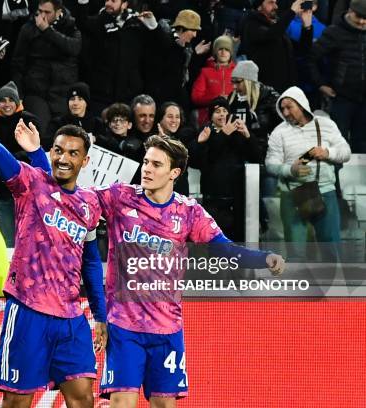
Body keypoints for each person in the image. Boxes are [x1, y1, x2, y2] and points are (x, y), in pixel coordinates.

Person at [22, 126, 286, 408]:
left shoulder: (189, 212)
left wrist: (263, 258)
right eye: (146, 162)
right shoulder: (119, 198)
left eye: (156, 164)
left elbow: (223, 248)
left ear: (175, 173)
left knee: (164, 405)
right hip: (124, 326)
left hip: (168, 329)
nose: (146, 169)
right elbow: (68, 197)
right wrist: (38, 154)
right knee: (123, 403)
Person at [0, 59, 107, 408]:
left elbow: (92, 264)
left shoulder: (89, 205)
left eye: (72, 153)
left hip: (70, 317)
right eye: (58, 151)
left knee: (83, 397)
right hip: (29, 311)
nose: (63, 158)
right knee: (18, 402)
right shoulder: (29, 184)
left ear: (85, 162)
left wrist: (101, 316)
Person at [265, 86, 351, 243]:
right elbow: (270, 163)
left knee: (330, 249)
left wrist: (327, 153)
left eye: (289, 107)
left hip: (325, 192)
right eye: (282, 108)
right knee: (295, 255)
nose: (285, 113)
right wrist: (290, 170)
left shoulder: (327, 125)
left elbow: (346, 152)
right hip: (292, 196)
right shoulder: (279, 132)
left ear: (301, 104)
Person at [189, 97, 262, 242]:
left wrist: (248, 135)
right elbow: (204, 160)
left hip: (237, 197)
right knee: (216, 240)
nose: (222, 114)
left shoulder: (237, 134)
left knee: (236, 239)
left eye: (224, 111)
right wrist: (224, 134)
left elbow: (257, 158)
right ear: (211, 115)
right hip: (214, 198)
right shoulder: (206, 132)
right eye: (217, 111)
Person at [11, 0, 82, 133]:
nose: (42, 16)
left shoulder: (70, 26)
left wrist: (47, 31)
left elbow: (74, 48)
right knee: (39, 131)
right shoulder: (29, 28)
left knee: (61, 134)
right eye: (40, 11)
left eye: (47, 12)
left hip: (62, 93)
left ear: (58, 12)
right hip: (36, 92)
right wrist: (18, 94)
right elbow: (18, 63)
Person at [0, 80, 40, 247]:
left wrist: (12, 158)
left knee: (26, 238)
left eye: (11, 100)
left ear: (17, 102)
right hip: (2, 187)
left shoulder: (29, 120)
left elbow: (37, 151)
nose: (7, 104)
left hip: (27, 188)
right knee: (9, 239)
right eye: (3, 100)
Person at [308, 0, 366, 152]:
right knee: (338, 145)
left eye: (365, 18)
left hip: (363, 100)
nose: (361, 21)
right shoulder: (334, 32)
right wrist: (320, 84)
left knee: (362, 145)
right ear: (350, 11)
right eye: (358, 16)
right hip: (341, 98)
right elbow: (311, 58)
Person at [240, 0, 311, 93]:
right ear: (259, 6)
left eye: (275, 2)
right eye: (270, 2)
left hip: (286, 88)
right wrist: (291, 12)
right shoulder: (252, 24)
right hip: (266, 89)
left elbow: (302, 49)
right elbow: (271, 35)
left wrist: (307, 27)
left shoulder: (277, 28)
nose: (276, 6)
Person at [191, 35, 237, 126]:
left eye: (227, 49)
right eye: (220, 49)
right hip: (208, 120)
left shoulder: (237, 73)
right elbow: (195, 97)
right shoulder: (205, 72)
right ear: (215, 52)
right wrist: (216, 99)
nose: (223, 52)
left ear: (231, 53)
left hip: (232, 119)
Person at [47, 82, 105, 148]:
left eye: (80, 99)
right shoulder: (58, 123)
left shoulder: (97, 124)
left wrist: (97, 139)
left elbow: (113, 146)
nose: (75, 103)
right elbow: (46, 144)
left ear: (86, 103)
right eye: (72, 99)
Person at [156, 101, 196, 196]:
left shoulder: (184, 140)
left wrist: (199, 144)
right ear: (160, 119)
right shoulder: (151, 141)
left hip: (180, 196)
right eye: (170, 116)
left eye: (177, 117)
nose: (174, 120)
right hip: (159, 196)